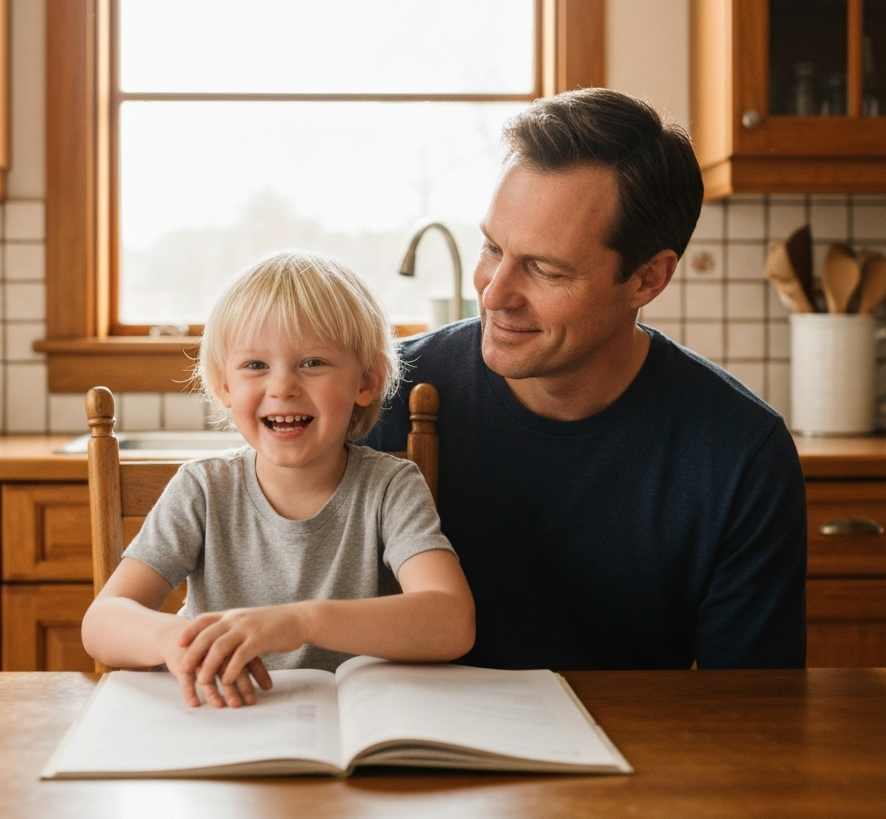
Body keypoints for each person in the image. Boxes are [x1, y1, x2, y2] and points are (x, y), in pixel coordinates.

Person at [364, 88, 807, 670]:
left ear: (648, 279)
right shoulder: (379, 394)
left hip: (633, 755)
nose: (494, 294)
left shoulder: (739, 455)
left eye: (546, 269)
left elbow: (751, 714)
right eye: (493, 247)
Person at [82, 252, 475, 708]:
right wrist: (176, 638)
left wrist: (298, 622)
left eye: (313, 363)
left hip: (358, 724)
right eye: (255, 365)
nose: (283, 386)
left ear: (366, 382)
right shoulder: (203, 489)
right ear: (223, 386)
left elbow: (452, 622)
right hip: (228, 717)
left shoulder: (391, 487)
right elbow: (101, 622)